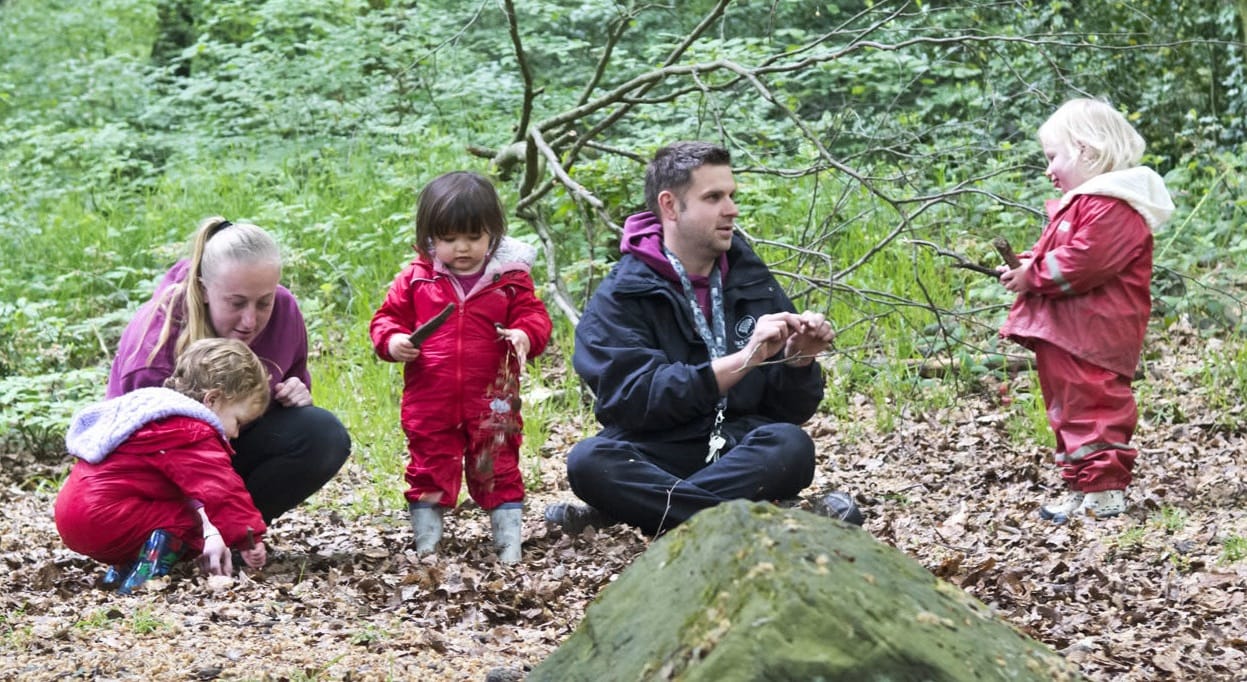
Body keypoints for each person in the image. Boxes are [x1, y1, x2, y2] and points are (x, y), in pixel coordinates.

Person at [546, 141, 862, 537]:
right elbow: (634, 402)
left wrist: (798, 362)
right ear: (670, 205)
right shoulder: (621, 294)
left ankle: (640, 512)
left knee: (791, 446)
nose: (731, 209)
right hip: (660, 450)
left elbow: (786, 412)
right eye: (713, 197)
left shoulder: (750, 278)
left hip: (738, 446)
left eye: (731, 196)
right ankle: (770, 518)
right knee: (590, 461)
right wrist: (743, 359)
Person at [107, 216, 351, 524]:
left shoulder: (285, 310)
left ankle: (234, 532)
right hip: (154, 476)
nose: (250, 321)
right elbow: (136, 451)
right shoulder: (155, 345)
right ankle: (182, 538)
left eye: (264, 302)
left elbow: (293, 381)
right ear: (205, 290)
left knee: (322, 433)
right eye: (236, 303)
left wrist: (296, 394)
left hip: (229, 458)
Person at [999, 98, 1174, 523]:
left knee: (1094, 404)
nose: (1048, 169)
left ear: (1087, 151)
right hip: (1068, 331)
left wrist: (1034, 274)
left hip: (1094, 334)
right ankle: (1083, 486)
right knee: (1067, 409)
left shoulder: (1114, 206)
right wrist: (1029, 264)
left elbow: (1084, 262)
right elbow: (1068, 254)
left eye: (1053, 156)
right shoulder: (1088, 203)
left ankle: (1105, 490)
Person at [370, 171, 553, 563]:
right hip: (430, 399)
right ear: (430, 238)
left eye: (473, 237)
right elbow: (386, 319)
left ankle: (508, 549)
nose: (462, 248)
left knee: (498, 466)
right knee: (429, 466)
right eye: (449, 239)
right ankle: (428, 545)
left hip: (494, 399)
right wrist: (392, 341)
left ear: (494, 234)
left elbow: (534, 317)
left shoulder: (510, 280)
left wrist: (524, 333)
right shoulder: (417, 280)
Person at [56, 338, 272, 594]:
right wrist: (249, 537)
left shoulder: (153, 414)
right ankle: (145, 577)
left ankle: (123, 569)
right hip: (104, 518)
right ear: (212, 399)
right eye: (238, 420)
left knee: (164, 508)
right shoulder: (191, 430)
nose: (236, 433)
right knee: (194, 523)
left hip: (72, 514)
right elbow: (221, 490)